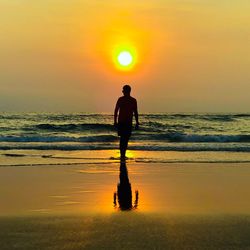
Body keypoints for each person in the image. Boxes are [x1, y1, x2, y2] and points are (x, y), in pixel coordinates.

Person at [114, 85, 139, 160]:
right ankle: (122, 155)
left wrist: (137, 122)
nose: (122, 91)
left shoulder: (132, 100)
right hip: (124, 122)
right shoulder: (124, 99)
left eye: (123, 90)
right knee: (123, 139)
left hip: (126, 122)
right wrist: (115, 121)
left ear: (127, 91)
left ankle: (123, 155)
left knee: (125, 139)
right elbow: (116, 110)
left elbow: (135, 112)